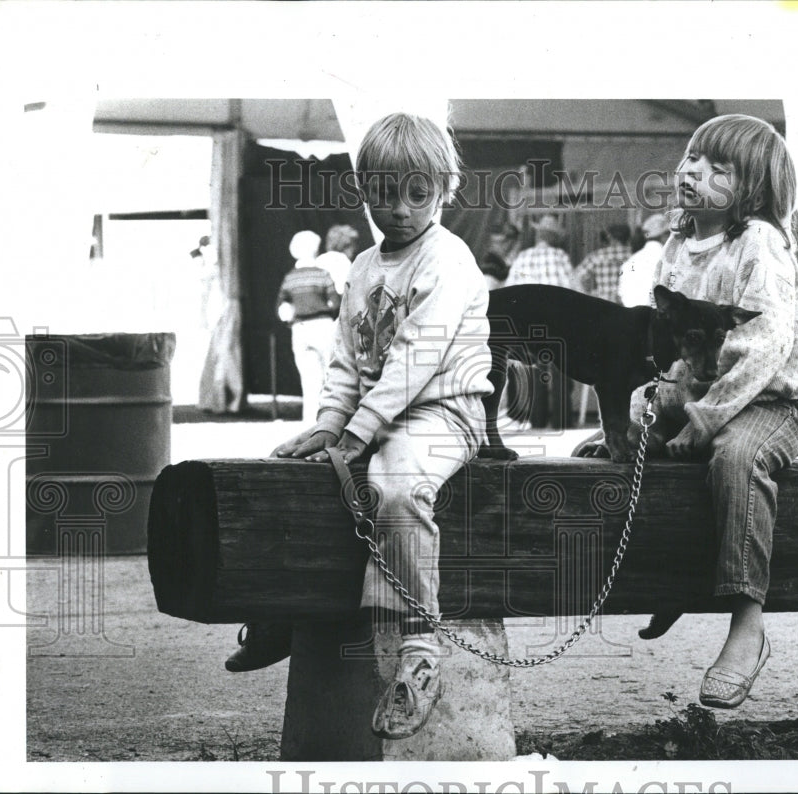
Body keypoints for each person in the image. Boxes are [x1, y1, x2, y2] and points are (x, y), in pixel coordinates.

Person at [227, 112, 493, 740]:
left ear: (444, 189)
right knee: (288, 474)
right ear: (364, 189)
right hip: (376, 414)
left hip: (442, 411)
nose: (398, 209)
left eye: (417, 193)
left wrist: (358, 432)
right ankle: (286, 617)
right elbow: (349, 360)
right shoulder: (364, 267)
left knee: (395, 485)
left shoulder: (448, 260)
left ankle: (420, 650)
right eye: (382, 193)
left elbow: (413, 361)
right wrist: (327, 426)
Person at [583, 114, 798, 709]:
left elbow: (760, 348)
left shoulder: (759, 244)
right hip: (702, 396)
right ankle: (672, 581)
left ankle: (746, 622)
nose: (695, 173)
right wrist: (655, 407)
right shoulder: (676, 246)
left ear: (754, 191)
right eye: (693, 160)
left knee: (736, 458)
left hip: (769, 401)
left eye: (719, 170)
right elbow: (670, 344)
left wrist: (704, 419)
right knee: (621, 455)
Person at [504, 214, 575, 428]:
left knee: (537, 369)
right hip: (557, 321)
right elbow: (571, 289)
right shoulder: (560, 256)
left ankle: (538, 420)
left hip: (529, 323)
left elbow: (510, 291)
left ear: (539, 235)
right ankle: (561, 422)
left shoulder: (523, 257)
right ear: (554, 237)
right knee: (561, 370)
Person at [276, 229, 344, 424]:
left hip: (300, 329)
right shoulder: (323, 275)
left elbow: (282, 306)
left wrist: (290, 321)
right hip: (323, 326)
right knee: (330, 376)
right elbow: (336, 303)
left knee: (308, 378)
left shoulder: (290, 278)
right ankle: (330, 421)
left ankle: (309, 421)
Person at [618, 213, 670, 307]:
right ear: (665, 235)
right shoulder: (668, 259)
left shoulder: (631, 260)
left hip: (632, 314)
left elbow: (622, 293)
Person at [575, 223, 632, 304]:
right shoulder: (635, 255)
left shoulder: (597, 256)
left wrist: (586, 296)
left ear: (610, 237)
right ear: (628, 237)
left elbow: (575, 277)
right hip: (629, 305)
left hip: (604, 305)